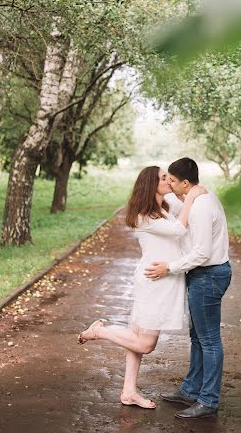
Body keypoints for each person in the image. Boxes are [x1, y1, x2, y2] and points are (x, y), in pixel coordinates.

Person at [77, 165, 206, 409]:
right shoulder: (144, 216)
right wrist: (192, 197)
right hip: (154, 282)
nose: (168, 180)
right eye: (163, 178)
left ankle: (128, 392)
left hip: (161, 280)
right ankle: (99, 331)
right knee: (146, 344)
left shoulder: (162, 209)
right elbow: (180, 229)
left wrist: (187, 195)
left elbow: (183, 216)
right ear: (151, 184)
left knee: (134, 340)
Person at [145, 157, 231, 419]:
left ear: (185, 182)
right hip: (202, 275)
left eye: (171, 180)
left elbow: (202, 253)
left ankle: (208, 400)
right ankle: (191, 390)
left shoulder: (202, 206)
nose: (168, 184)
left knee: (209, 340)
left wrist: (169, 267)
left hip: (208, 275)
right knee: (198, 337)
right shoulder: (194, 200)